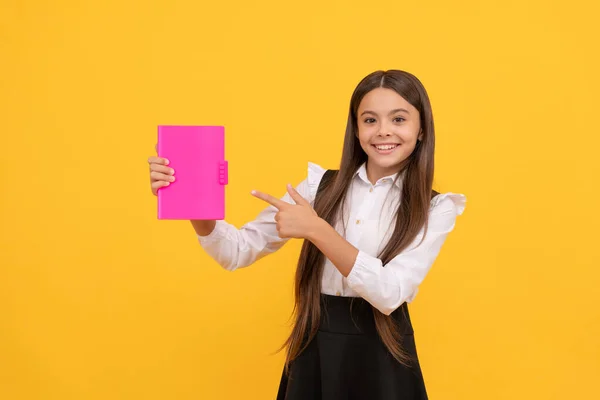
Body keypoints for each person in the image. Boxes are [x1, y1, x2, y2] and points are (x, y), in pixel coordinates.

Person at [147, 70, 466, 400]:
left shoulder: (435, 208)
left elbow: (389, 293)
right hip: (316, 349)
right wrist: (188, 196)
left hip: (385, 356)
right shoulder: (318, 188)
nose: (383, 131)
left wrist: (317, 229)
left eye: (398, 119)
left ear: (421, 129)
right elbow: (236, 251)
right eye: (370, 120)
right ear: (356, 130)